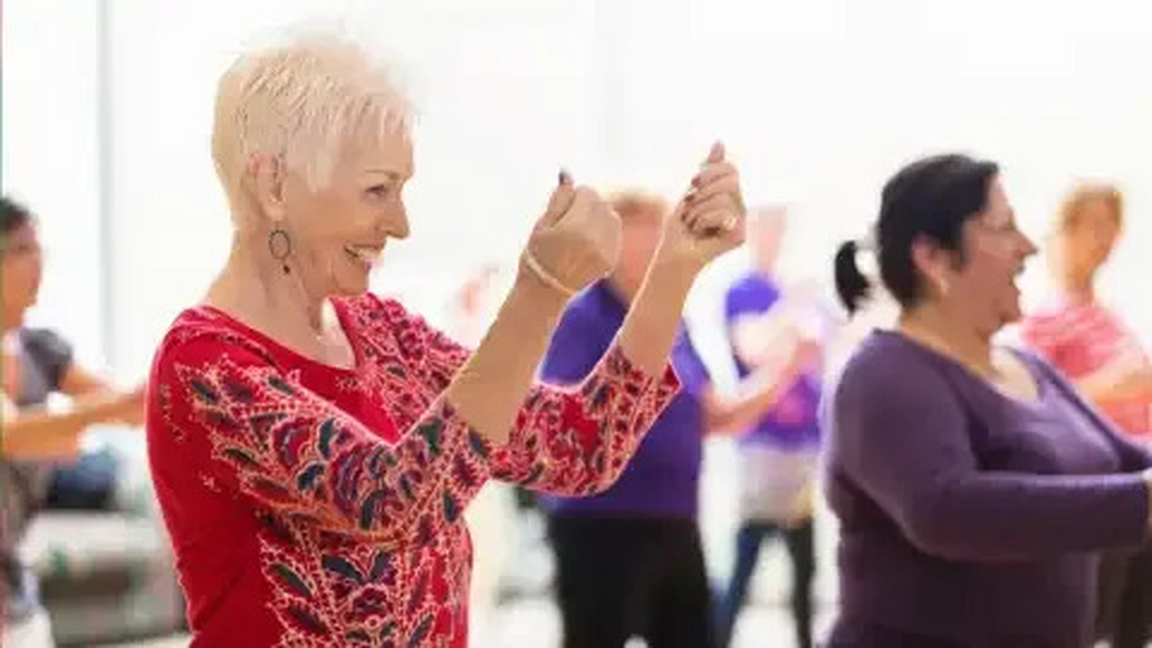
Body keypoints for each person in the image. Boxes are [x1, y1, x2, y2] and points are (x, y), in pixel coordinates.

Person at [144, 30, 747, 647]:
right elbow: (394, 502)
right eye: (378, 189)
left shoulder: (383, 332)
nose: (400, 224)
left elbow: (579, 447)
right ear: (273, 186)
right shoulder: (205, 363)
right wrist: (537, 293)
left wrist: (674, 268)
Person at [824, 153, 1152, 647]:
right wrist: (1141, 501)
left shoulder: (1030, 366)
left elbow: (1127, 461)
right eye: (1004, 229)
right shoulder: (885, 375)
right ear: (932, 257)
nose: (1028, 248)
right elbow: (946, 509)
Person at [538, 190, 814, 648]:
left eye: (657, 235)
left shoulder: (674, 322)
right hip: (599, 524)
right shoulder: (580, 318)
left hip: (674, 518)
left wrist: (782, 372)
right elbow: (558, 420)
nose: (649, 248)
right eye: (634, 233)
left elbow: (715, 415)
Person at [1020, 183, 1152, 647]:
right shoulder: (1042, 321)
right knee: (1091, 621)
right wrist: (1110, 385)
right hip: (1096, 491)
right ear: (1064, 231)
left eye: (1110, 227)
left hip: (1139, 489)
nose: (1103, 239)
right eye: (1092, 226)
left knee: (1135, 621)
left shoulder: (1109, 316)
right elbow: (1028, 409)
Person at [715, 206, 829, 648]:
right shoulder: (742, 291)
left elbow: (813, 353)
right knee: (748, 554)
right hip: (762, 444)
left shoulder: (793, 292)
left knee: (805, 567)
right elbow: (754, 349)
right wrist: (791, 316)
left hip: (801, 444)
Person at [1, 197, 146, 510]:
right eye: (23, 250)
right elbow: (9, 434)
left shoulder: (39, 347)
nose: (38, 263)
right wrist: (58, 437)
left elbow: (131, 409)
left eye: (39, 250)